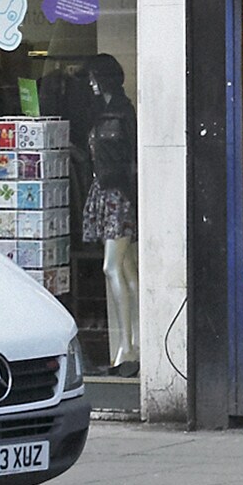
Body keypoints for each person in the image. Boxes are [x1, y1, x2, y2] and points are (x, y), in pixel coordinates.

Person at [82, 55, 138, 375]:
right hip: (107, 192)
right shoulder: (103, 112)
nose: (90, 83)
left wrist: (130, 193)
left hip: (119, 196)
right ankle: (133, 342)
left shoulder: (122, 112)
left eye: (93, 77)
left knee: (111, 266)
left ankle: (126, 345)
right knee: (127, 269)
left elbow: (130, 157)